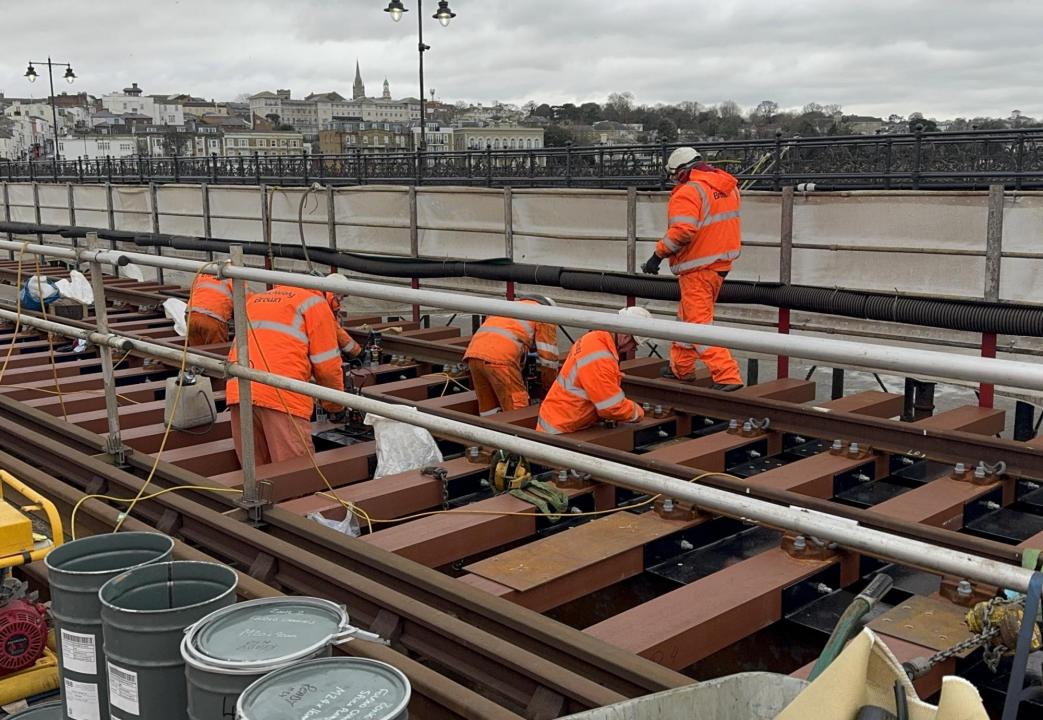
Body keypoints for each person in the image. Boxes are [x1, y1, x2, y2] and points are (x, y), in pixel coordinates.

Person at [641, 147, 744, 391]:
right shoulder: (727, 187)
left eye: (673, 176)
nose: (673, 181)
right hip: (719, 265)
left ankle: (727, 375)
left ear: (681, 171)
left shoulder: (689, 191)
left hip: (697, 267)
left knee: (697, 325)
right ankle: (681, 368)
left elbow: (683, 231)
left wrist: (657, 255)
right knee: (686, 319)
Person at [225, 284, 346, 467]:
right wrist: (335, 406)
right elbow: (328, 367)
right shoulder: (315, 304)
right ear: (332, 296)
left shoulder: (257, 299)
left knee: (256, 475)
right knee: (294, 477)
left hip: (240, 389)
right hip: (281, 394)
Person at [536, 306, 649, 434]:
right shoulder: (600, 357)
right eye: (634, 345)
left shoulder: (596, 338)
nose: (632, 349)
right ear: (626, 336)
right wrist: (637, 412)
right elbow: (610, 407)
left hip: (563, 418)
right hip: (561, 429)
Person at [464, 296, 559, 416]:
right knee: (517, 408)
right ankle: (516, 433)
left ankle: (488, 431)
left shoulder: (509, 307)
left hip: (473, 354)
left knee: (488, 406)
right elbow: (548, 359)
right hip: (501, 360)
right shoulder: (544, 314)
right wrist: (549, 387)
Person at [186, 275, 233, 346]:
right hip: (213, 319)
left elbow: (194, 292)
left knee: (196, 352)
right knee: (217, 352)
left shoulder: (202, 274)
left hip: (191, 316)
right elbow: (247, 302)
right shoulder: (234, 276)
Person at [325, 292, 363, 358]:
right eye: (342, 296)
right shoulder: (326, 304)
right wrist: (358, 352)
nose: (341, 299)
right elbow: (337, 332)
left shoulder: (327, 301)